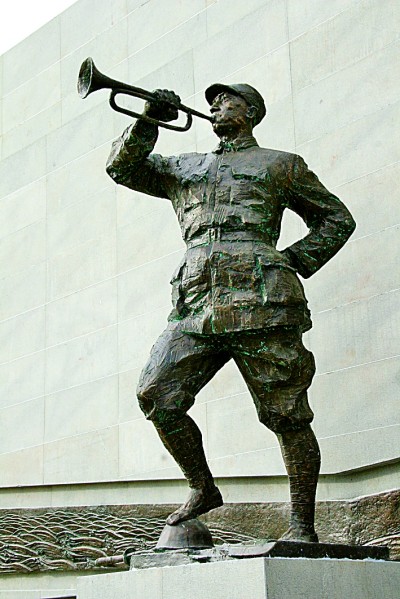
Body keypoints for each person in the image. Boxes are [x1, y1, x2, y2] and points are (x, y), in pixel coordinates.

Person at [106, 84, 355, 542]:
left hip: (263, 302)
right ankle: (202, 487)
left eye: (227, 101)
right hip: (196, 302)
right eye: (213, 103)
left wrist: (291, 261)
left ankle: (302, 525)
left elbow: (337, 219)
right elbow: (122, 168)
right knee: (156, 394)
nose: (215, 107)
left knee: (287, 413)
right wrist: (148, 119)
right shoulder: (186, 166)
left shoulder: (280, 164)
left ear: (251, 112)